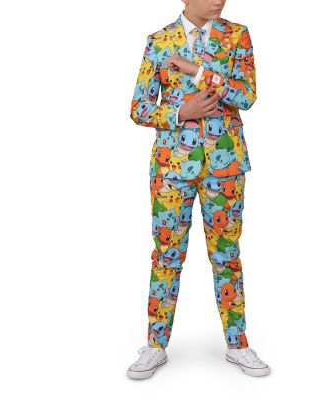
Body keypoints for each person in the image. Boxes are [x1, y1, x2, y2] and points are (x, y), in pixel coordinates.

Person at [127, 0, 270, 378]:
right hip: (171, 169)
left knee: (227, 255)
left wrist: (198, 71)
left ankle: (237, 345)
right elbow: (139, 108)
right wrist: (180, 113)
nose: (218, 0)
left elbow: (246, 96)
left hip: (225, 167)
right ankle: (155, 346)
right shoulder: (159, 42)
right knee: (166, 256)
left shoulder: (237, 36)